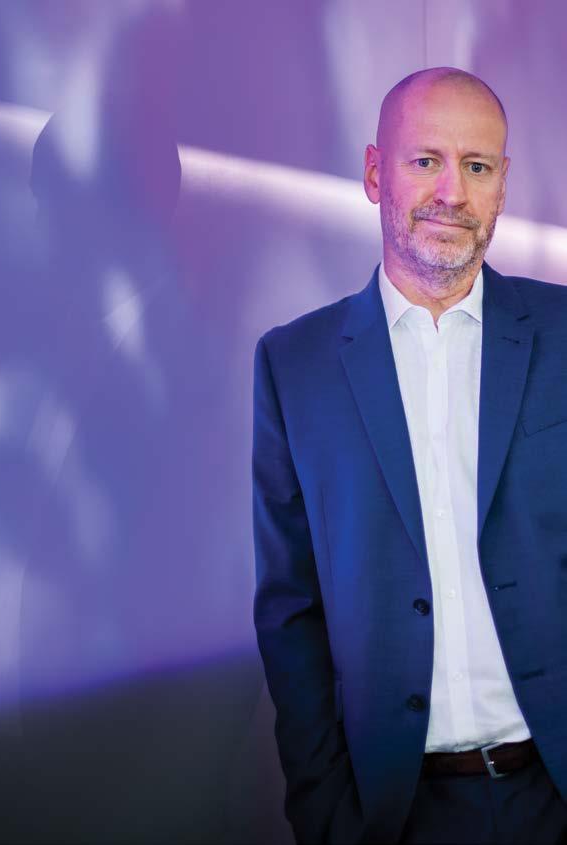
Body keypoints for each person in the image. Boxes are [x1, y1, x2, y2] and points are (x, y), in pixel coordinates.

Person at [252, 67, 567, 845]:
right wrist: (326, 811)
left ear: (501, 186)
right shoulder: (295, 365)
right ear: (373, 173)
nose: (452, 192)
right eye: (426, 160)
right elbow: (291, 612)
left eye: (477, 166)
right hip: (393, 815)